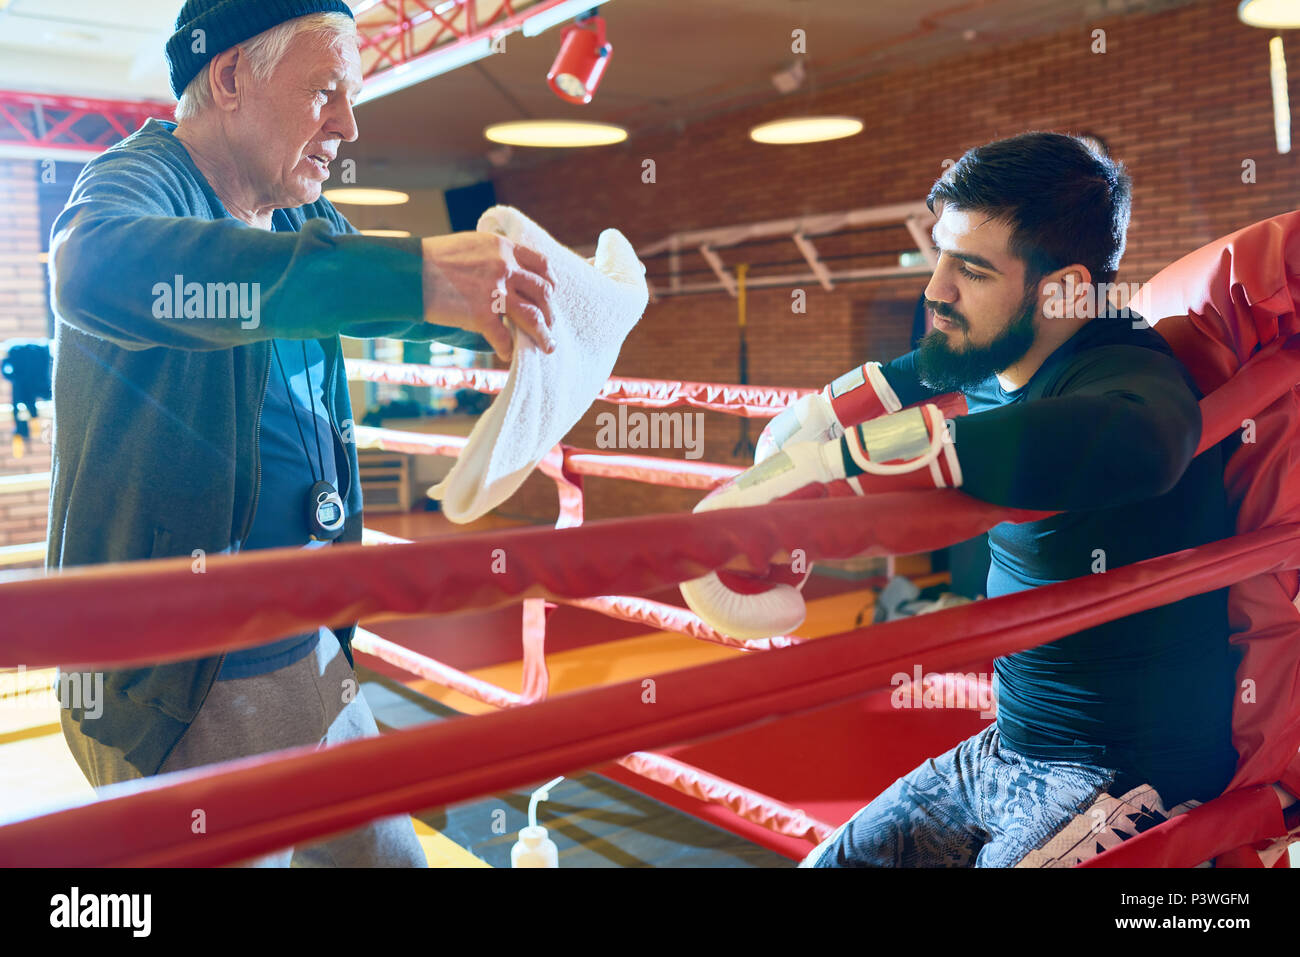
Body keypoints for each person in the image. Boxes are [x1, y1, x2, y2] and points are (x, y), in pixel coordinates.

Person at [49, 0, 557, 867]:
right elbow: (95, 268)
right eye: (324, 90)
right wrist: (422, 274)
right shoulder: (139, 183)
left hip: (313, 652)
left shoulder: (291, 217)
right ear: (233, 75)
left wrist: (504, 303)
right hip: (187, 682)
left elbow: (376, 291)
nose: (347, 124)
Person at [689, 131, 1241, 867]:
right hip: (1004, 748)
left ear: (1068, 288)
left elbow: (1148, 439)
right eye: (940, 255)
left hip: (1125, 774)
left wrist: (842, 469)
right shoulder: (990, 351)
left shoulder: (1122, 368)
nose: (935, 289)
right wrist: (801, 443)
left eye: (971, 270)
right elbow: (879, 389)